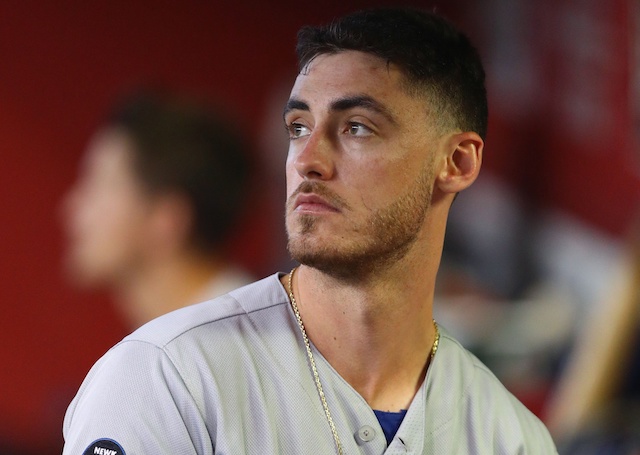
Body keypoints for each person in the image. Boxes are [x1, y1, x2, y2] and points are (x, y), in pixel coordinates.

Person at [62, 8, 557, 454]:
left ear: (456, 162)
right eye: (298, 127)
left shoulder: (513, 439)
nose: (307, 160)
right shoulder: (164, 379)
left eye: (356, 127)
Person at [61, 90, 254, 329]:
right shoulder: (197, 332)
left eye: (99, 185)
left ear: (167, 219)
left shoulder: (232, 336)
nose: (71, 208)